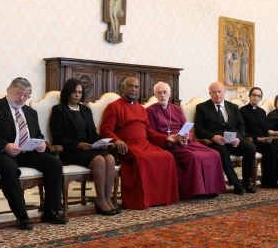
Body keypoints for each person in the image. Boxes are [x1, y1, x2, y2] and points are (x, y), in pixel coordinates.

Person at [0, 78, 67, 230]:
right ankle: (22, 217)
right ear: (9, 89)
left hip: (26, 152)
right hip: (1, 153)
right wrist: (4, 145)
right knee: (10, 170)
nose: (22, 98)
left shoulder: (31, 112)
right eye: (19, 93)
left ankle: (50, 211)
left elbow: (38, 135)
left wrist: (41, 144)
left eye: (26, 95)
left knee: (55, 164)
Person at [100, 76, 180, 209]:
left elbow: (149, 132)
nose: (133, 89)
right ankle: (141, 200)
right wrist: (117, 140)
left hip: (145, 144)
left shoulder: (141, 109)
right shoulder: (114, 107)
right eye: (130, 86)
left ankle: (160, 198)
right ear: (123, 88)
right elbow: (105, 129)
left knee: (167, 156)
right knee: (142, 159)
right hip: (127, 146)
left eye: (136, 87)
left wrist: (165, 138)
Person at [50, 77, 118, 216]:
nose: (77, 95)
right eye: (74, 92)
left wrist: (102, 142)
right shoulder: (59, 110)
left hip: (89, 148)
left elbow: (93, 133)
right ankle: (100, 201)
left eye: (80, 92)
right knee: (99, 160)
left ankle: (107, 199)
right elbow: (57, 136)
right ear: (67, 92)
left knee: (110, 158)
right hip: (70, 150)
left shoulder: (85, 110)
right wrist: (77, 144)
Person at [145, 81, 225, 200]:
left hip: (185, 141)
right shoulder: (150, 111)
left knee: (214, 154)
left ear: (170, 94)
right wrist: (169, 138)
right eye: (159, 93)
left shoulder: (176, 109)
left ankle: (211, 190)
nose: (162, 95)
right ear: (155, 95)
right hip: (169, 143)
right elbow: (150, 133)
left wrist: (187, 135)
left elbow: (186, 126)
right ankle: (195, 192)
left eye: (165, 92)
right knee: (193, 156)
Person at [194, 81, 257, 194]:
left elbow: (241, 126)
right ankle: (236, 184)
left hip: (233, 141)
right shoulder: (202, 108)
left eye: (219, 92)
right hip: (216, 142)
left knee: (250, 147)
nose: (217, 94)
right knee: (222, 152)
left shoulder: (233, 107)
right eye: (214, 92)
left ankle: (247, 182)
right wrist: (212, 136)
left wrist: (238, 138)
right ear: (210, 94)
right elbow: (198, 129)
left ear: (224, 92)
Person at [240, 86, 278, 188]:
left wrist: (271, 137)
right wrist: (258, 139)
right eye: (254, 95)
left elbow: (265, 130)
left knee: (277, 144)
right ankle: (268, 181)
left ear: (261, 98)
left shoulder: (262, 112)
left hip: (264, 139)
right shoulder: (242, 111)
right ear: (249, 96)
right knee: (270, 148)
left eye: (259, 96)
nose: (256, 98)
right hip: (253, 140)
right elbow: (242, 131)